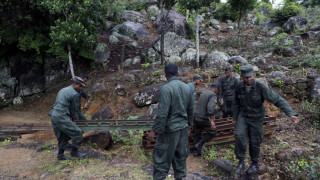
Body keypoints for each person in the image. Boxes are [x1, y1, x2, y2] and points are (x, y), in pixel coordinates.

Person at [233, 64, 299, 174]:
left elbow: (277, 99)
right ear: (241, 77)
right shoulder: (239, 87)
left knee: (255, 141)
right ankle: (241, 162)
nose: (249, 79)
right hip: (243, 116)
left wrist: (290, 113)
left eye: (250, 76)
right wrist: (235, 118)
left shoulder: (260, 87)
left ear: (253, 75)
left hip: (256, 118)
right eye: (246, 77)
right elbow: (235, 103)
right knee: (239, 136)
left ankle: (254, 163)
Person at [150, 63, 193, 180]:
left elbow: (162, 113)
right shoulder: (186, 88)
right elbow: (190, 109)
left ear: (165, 75)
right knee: (180, 160)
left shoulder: (166, 89)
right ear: (178, 73)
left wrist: (154, 130)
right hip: (183, 129)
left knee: (162, 161)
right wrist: (189, 125)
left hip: (170, 130)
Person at [49, 76, 87, 160]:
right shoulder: (74, 94)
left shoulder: (63, 89)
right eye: (80, 86)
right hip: (61, 115)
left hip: (54, 114)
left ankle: (60, 155)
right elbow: (74, 109)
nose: (80, 88)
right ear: (76, 84)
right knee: (77, 132)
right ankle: (74, 152)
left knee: (63, 135)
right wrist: (74, 120)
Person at [193, 82, 219, 157]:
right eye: (218, 90)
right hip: (202, 118)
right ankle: (199, 143)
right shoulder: (213, 95)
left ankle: (196, 152)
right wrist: (212, 121)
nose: (218, 92)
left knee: (197, 134)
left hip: (196, 116)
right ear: (215, 89)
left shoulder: (204, 92)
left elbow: (199, 92)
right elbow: (210, 109)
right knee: (213, 132)